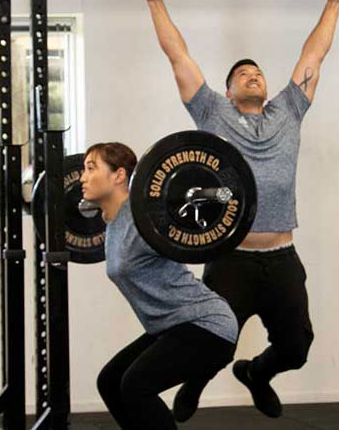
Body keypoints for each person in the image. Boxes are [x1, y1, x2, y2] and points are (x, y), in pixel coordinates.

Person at [139, 0, 339, 420]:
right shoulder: (212, 112)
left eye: (258, 73)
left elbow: (315, 53)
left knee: (297, 346)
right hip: (231, 257)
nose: (252, 76)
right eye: (242, 73)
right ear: (228, 90)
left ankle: (256, 374)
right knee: (211, 341)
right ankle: (194, 383)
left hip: (281, 255)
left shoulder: (289, 110)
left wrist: (333, 3)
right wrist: (156, 1)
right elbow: (178, 56)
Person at [86, 142, 238, 430]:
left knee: (135, 385)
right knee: (111, 381)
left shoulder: (147, 218)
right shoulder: (112, 221)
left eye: (91, 168)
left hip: (206, 324)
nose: (82, 177)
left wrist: (212, 194)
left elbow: (215, 197)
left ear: (119, 176)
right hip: (171, 326)